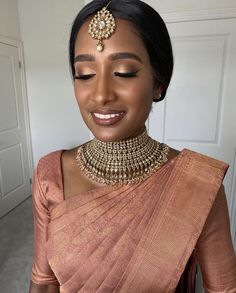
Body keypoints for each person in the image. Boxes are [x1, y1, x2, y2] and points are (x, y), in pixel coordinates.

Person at [29, 0, 236, 292]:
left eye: (124, 72)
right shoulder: (50, 175)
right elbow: (44, 280)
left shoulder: (198, 185)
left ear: (158, 83)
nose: (100, 95)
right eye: (85, 74)